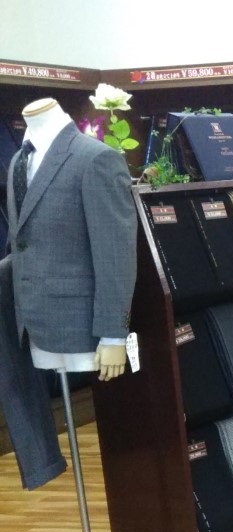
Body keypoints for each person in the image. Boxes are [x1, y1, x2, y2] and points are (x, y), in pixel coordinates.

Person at [1, 98, 136, 489]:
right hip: (33, 321)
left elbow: (115, 252)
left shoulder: (96, 159)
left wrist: (113, 334)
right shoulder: (19, 161)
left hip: (80, 328)